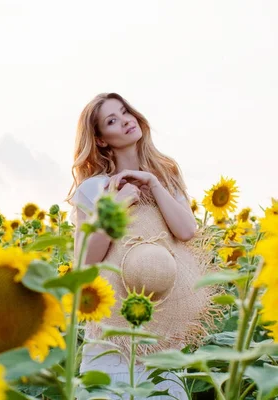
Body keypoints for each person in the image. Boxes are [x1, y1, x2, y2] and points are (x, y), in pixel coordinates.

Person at [68, 93, 216, 399]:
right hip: (109, 343)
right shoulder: (93, 188)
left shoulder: (165, 175)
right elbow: (85, 262)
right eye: (112, 120)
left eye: (125, 112)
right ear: (101, 140)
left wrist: (154, 183)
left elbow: (187, 230)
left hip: (161, 342)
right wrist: (115, 208)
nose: (125, 120)